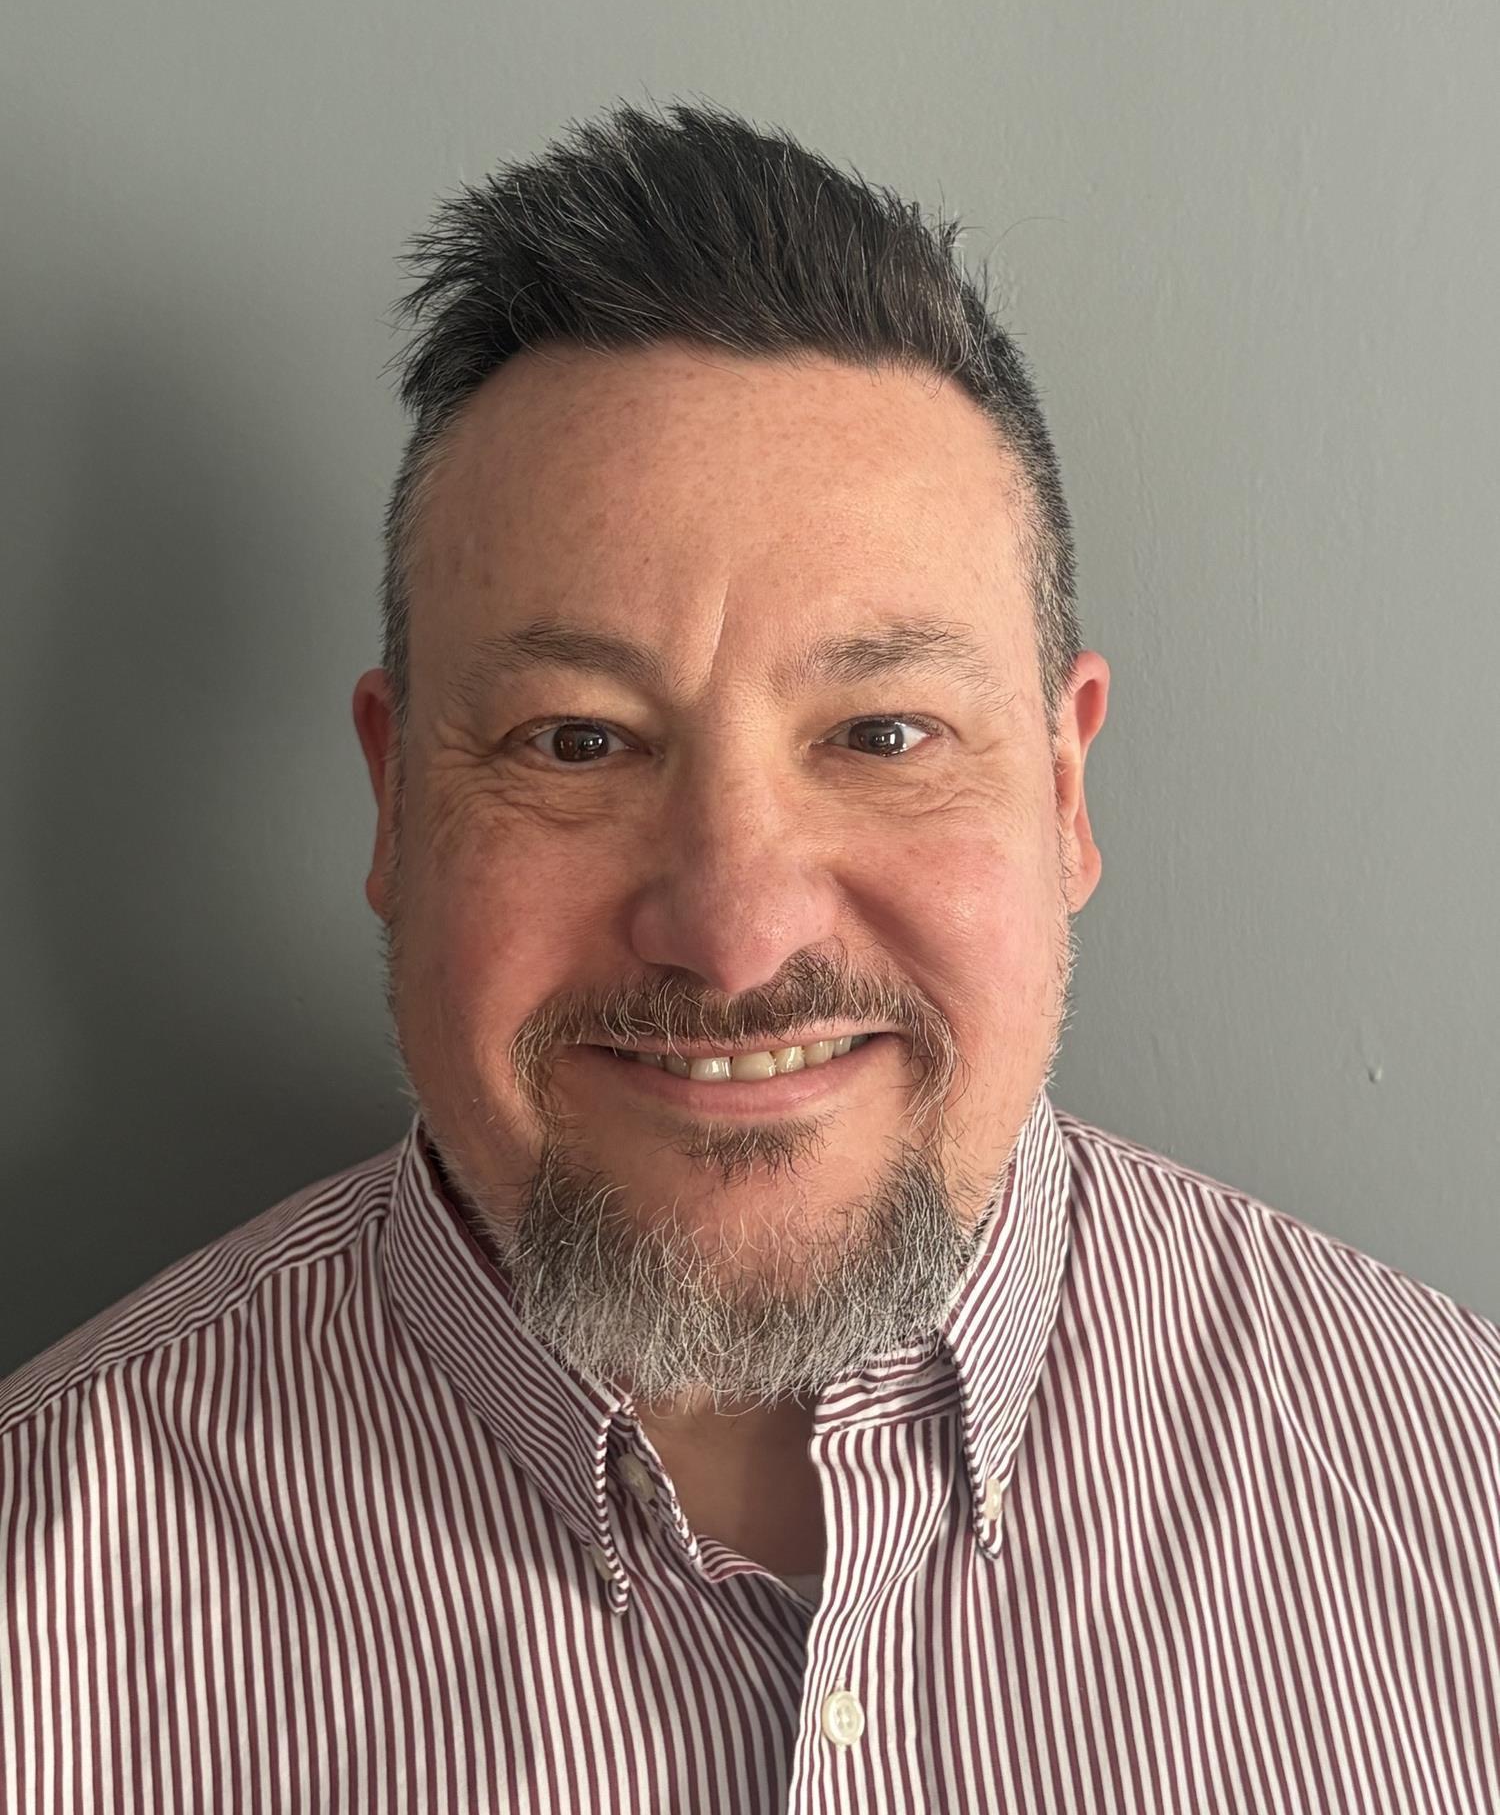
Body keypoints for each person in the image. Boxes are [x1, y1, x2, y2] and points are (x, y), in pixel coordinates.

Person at [2, 103, 1496, 1813]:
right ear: (397, 799)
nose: (735, 931)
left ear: (1064, 790)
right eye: (578, 742)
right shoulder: (37, 1603)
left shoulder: (1461, 1501)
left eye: (882, 733)